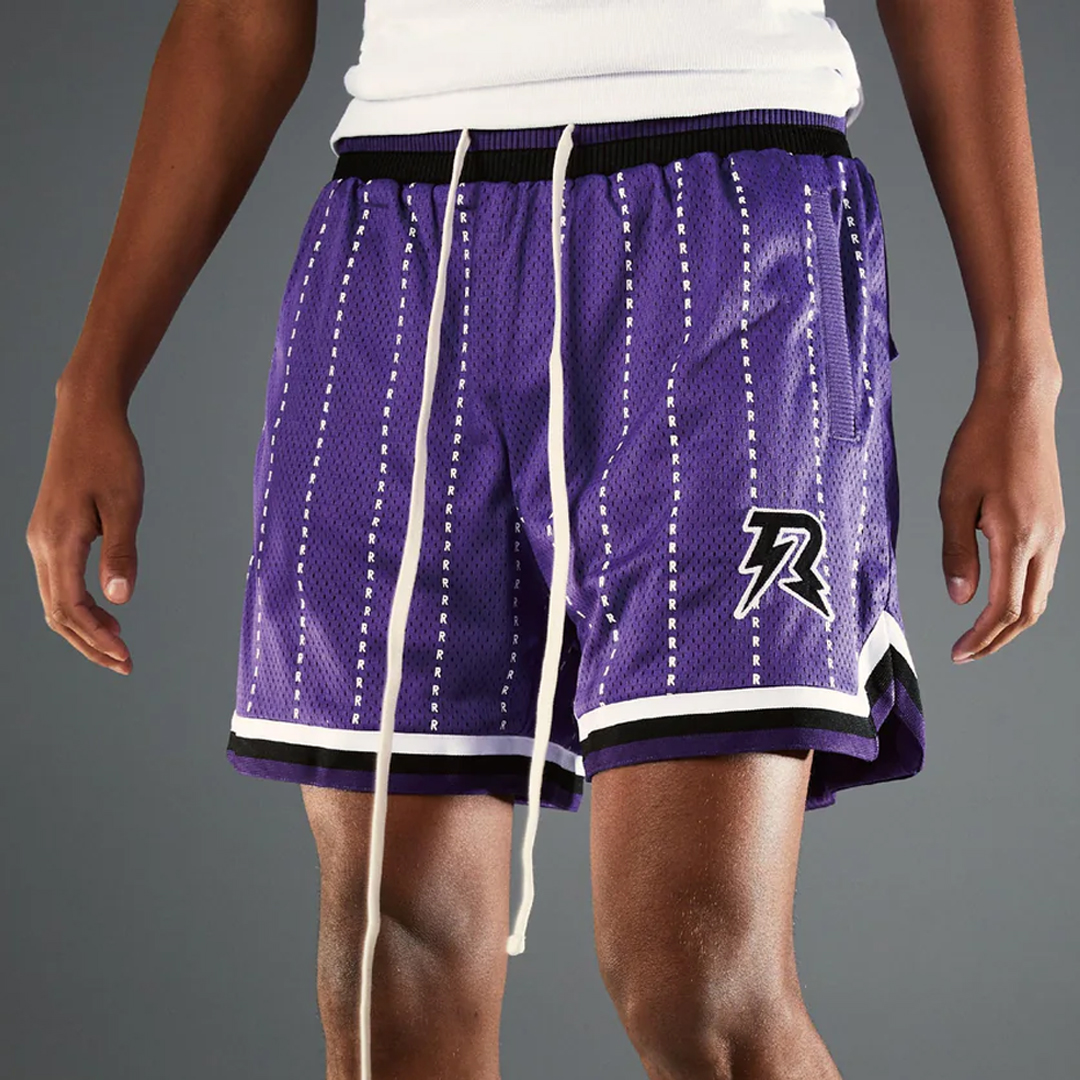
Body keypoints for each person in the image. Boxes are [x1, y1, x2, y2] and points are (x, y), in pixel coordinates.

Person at [26, 1, 1065, 1078]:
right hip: (398, 233)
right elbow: (238, 21)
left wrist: (1020, 369)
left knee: (699, 982)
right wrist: (94, 379)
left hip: (721, 213)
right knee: (391, 969)